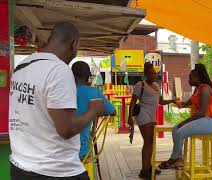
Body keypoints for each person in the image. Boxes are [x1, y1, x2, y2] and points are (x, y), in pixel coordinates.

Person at [9, 22, 106, 180]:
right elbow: (66, 130)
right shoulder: (58, 70)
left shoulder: (22, 66)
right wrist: (93, 111)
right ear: (73, 44)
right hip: (55, 170)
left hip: (20, 166)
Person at [158, 63, 212, 170]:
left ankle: (173, 158)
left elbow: (202, 112)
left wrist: (184, 122)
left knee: (179, 132)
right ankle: (179, 160)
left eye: (190, 78)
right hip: (204, 119)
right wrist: (176, 101)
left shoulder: (205, 89)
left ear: (198, 78)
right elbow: (184, 104)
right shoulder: (197, 90)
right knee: (175, 129)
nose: (188, 80)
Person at [128, 62, 176, 179]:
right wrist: (129, 116)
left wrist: (172, 100)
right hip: (143, 116)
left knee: (151, 143)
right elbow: (133, 101)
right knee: (148, 143)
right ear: (145, 74)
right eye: (150, 74)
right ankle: (144, 171)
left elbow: (160, 102)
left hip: (152, 117)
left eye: (154, 74)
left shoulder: (156, 85)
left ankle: (148, 167)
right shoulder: (141, 85)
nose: (153, 76)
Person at [71, 61, 116, 160]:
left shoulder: (63, 91)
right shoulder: (94, 93)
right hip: (82, 153)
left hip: (59, 152)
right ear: (88, 77)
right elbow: (113, 111)